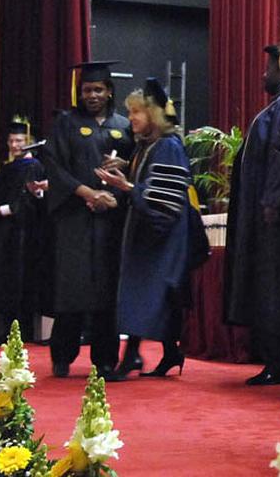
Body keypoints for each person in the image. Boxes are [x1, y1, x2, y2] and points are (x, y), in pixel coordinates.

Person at [43, 60, 134, 380]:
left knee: (107, 290)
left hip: (110, 219)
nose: (91, 95)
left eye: (98, 89)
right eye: (86, 90)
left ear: (109, 91)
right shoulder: (67, 123)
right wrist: (87, 194)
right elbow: (54, 167)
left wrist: (113, 198)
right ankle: (63, 355)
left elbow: (133, 171)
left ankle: (105, 360)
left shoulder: (124, 125)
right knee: (73, 287)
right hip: (74, 219)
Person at [95, 79, 192, 381]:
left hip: (162, 236)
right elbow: (147, 181)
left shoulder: (169, 146)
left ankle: (132, 357)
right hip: (147, 233)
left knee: (151, 293)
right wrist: (125, 168)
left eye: (137, 112)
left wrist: (126, 185)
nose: (132, 119)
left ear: (154, 116)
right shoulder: (148, 147)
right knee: (149, 295)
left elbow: (164, 197)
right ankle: (165, 353)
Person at [226, 45, 280, 386]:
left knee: (274, 290)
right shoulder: (279, 104)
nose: (264, 74)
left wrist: (271, 200)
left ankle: (278, 361)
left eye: (269, 67)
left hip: (273, 215)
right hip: (267, 210)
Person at [0, 118, 47, 342]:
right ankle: (6, 330)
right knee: (4, 280)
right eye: (11, 140)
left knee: (22, 280)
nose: (14, 145)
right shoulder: (5, 168)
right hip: (4, 235)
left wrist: (1, 211)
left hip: (24, 234)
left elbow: (29, 202)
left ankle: (23, 331)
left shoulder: (34, 166)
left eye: (19, 140)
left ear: (29, 142)